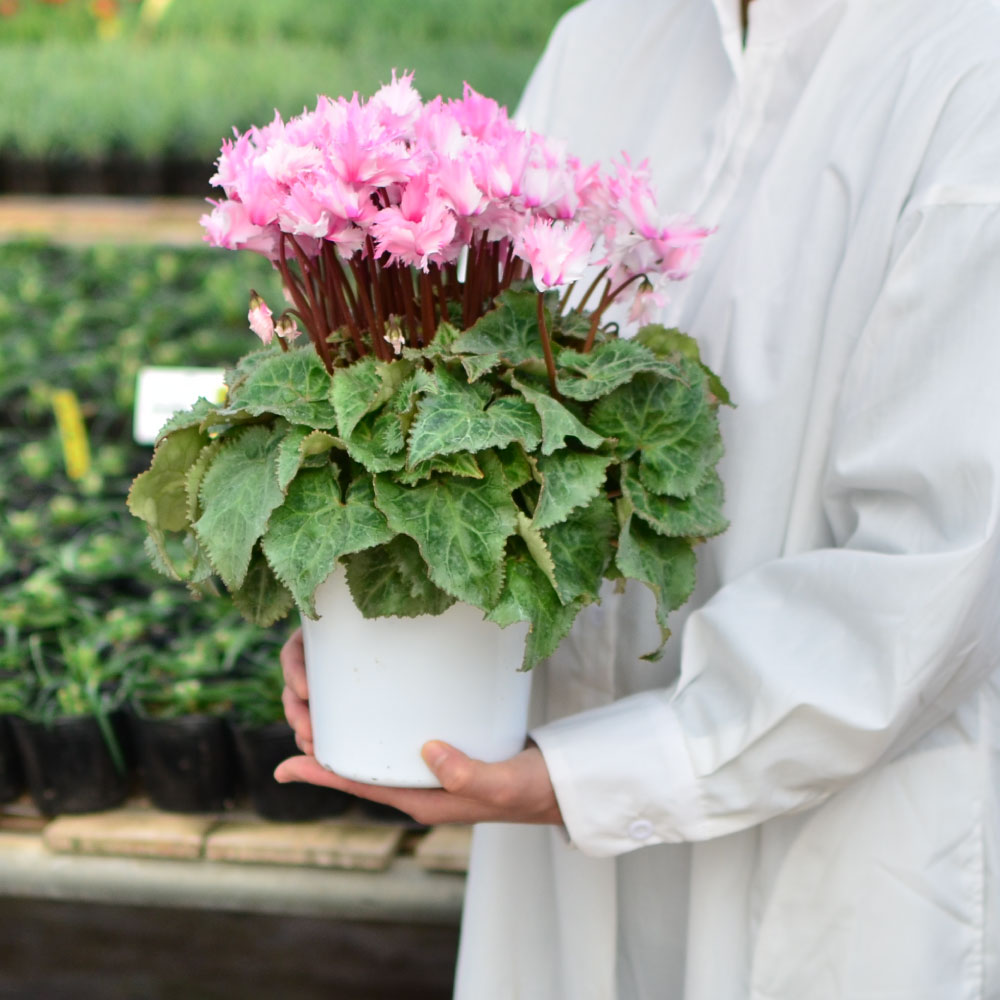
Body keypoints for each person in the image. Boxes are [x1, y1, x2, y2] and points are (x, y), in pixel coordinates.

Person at [275, 0, 1000, 996]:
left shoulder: (970, 69)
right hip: (552, 842)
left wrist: (583, 778)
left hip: (827, 877)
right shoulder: (608, 38)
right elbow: (462, 409)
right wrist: (385, 624)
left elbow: (928, 585)